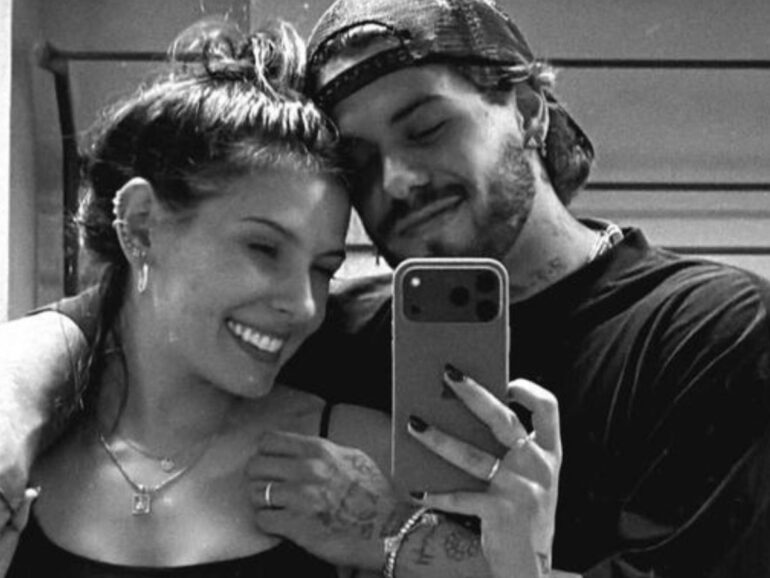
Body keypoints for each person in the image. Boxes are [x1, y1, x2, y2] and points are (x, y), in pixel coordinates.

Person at [2, 0, 769, 576]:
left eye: (427, 127)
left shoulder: (710, 330)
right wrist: (10, 400)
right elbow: (123, 319)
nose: (397, 179)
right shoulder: (333, 331)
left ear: (530, 113)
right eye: (361, 161)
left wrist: (401, 538)